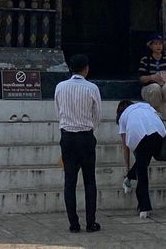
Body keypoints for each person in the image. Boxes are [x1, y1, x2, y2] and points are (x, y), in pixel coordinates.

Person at [54, 53, 103, 234]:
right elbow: (97, 114)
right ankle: (91, 222)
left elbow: (58, 109)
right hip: (85, 136)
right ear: (86, 68)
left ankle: (73, 223)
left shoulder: (60, 87)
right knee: (90, 181)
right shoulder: (92, 88)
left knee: (70, 181)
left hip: (67, 137)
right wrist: (90, 128)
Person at [116, 98, 166, 219]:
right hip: (158, 134)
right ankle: (130, 179)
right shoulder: (145, 106)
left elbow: (125, 148)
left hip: (139, 137)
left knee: (142, 170)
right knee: (142, 163)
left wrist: (127, 168)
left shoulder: (124, 116)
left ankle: (144, 207)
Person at [138, 34, 166, 120]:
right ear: (150, 46)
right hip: (149, 88)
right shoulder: (145, 60)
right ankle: (157, 112)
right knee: (155, 87)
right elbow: (141, 78)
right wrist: (152, 77)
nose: (158, 46)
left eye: (160, 44)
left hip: (165, 85)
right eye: (156, 44)